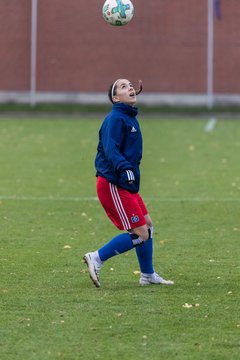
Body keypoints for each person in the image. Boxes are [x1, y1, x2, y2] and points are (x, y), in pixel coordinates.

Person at [83, 78, 174, 288]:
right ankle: (97, 257)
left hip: (126, 182)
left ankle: (147, 275)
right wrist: (124, 168)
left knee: (147, 226)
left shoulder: (128, 117)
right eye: (123, 86)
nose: (130, 87)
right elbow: (110, 149)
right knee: (141, 233)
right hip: (113, 182)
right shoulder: (115, 118)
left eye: (130, 85)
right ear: (115, 98)